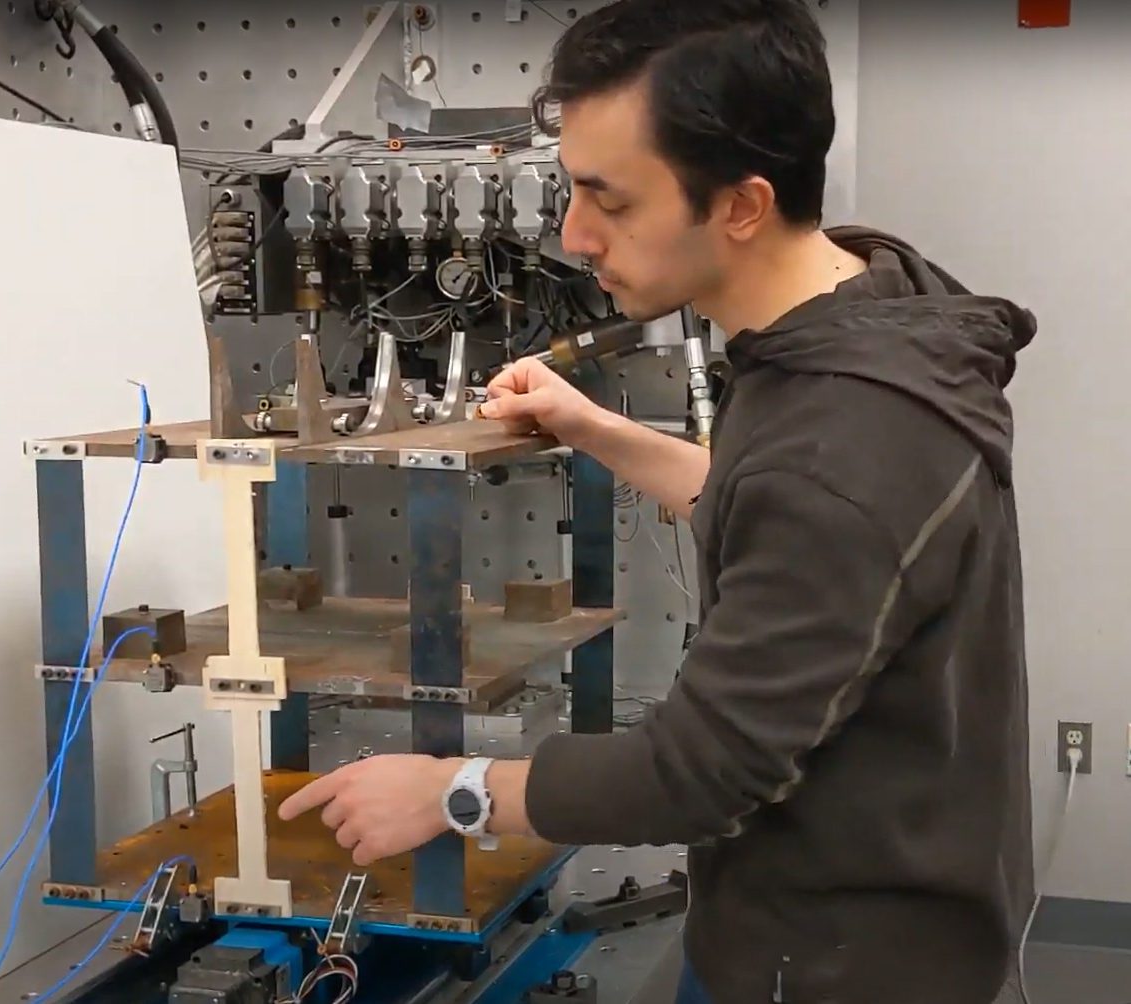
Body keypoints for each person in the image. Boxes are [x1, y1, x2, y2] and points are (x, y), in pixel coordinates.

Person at [279, 2, 1037, 1001]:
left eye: (612, 201)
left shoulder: (841, 445)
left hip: (835, 959)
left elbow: (697, 769)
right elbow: (762, 511)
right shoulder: (860, 314)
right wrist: (593, 425)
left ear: (739, 203)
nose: (573, 236)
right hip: (824, 902)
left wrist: (451, 791)